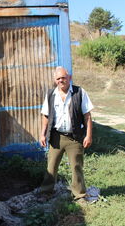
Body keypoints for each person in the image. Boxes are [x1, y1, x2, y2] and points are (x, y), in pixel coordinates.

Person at [38, 66, 93, 201]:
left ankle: (79, 194)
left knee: (76, 166)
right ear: (55, 80)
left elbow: (87, 116)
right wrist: (42, 134)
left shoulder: (79, 92)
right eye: (58, 78)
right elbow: (45, 115)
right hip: (56, 136)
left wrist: (88, 135)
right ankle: (46, 192)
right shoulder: (51, 94)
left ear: (69, 78)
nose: (61, 80)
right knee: (51, 166)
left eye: (63, 77)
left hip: (74, 137)